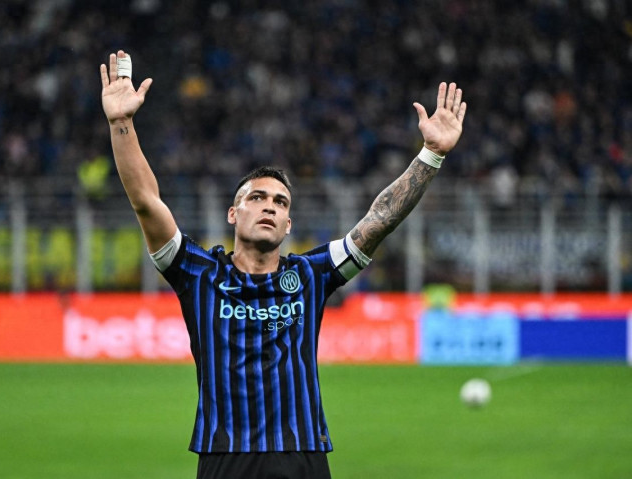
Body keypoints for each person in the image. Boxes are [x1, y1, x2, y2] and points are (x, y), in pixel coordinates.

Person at [100, 50, 466, 479]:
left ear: (288, 224)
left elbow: (380, 219)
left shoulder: (310, 275)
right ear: (233, 214)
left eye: (280, 202)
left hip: (302, 455)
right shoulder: (198, 274)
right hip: (225, 457)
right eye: (256, 197)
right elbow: (147, 202)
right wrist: (121, 124)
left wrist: (431, 155)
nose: (269, 206)